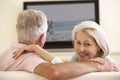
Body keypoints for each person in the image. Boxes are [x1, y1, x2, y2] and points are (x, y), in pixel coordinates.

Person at [0, 9, 118, 80]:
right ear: (42, 37)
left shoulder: (6, 54)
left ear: (99, 46)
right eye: (77, 43)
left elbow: (58, 67)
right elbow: (56, 68)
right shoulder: (29, 58)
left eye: (87, 44)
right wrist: (96, 66)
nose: (81, 49)